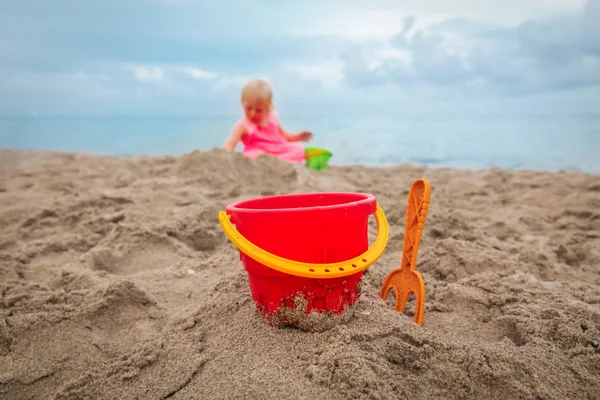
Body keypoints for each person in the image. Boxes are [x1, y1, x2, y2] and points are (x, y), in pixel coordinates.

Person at [222, 79, 314, 164]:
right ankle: (276, 163)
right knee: (253, 155)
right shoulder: (242, 125)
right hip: (259, 153)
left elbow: (283, 135)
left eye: (258, 110)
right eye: (248, 108)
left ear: (268, 108)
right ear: (243, 103)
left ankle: (279, 162)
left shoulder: (272, 117)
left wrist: (297, 137)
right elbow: (229, 145)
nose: (253, 113)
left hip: (279, 150)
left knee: (299, 149)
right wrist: (223, 157)